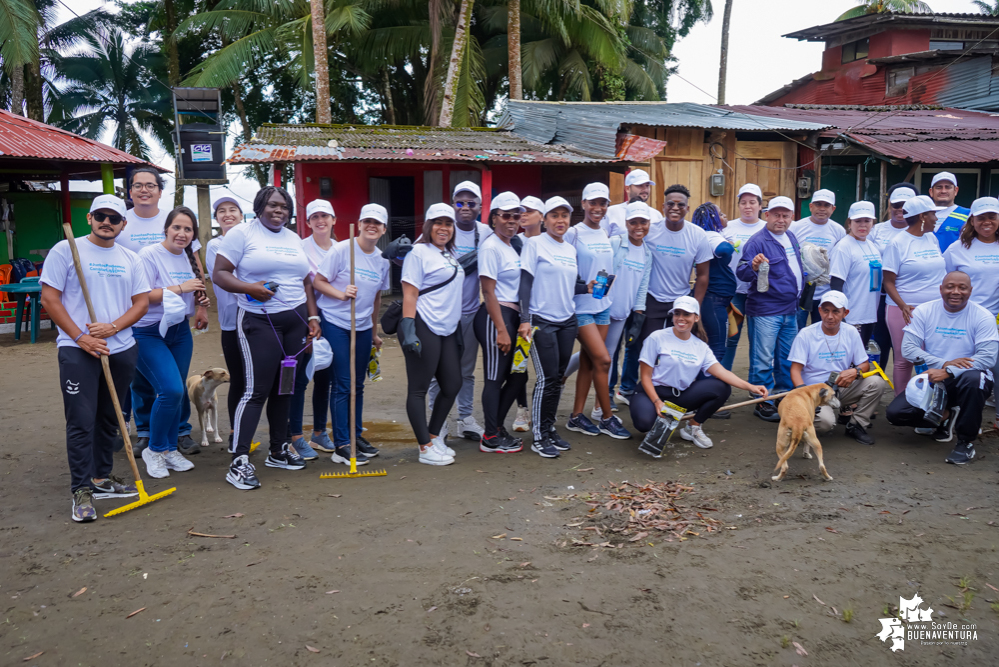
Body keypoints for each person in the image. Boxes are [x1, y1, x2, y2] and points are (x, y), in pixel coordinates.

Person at [41, 195, 149, 522]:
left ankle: (101, 478)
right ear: (89, 218)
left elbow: (141, 302)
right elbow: (50, 297)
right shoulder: (66, 250)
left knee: (109, 417)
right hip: (78, 350)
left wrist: (113, 328)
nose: (107, 222)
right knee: (81, 420)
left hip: (120, 348)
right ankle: (81, 489)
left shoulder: (132, 258)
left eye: (114, 218)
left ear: (123, 224)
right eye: (100, 216)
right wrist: (81, 337)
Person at [213, 186, 323, 490]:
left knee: (285, 388)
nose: (279, 211)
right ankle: (239, 460)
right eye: (273, 205)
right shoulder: (242, 234)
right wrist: (250, 288)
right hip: (259, 322)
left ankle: (278, 450)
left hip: (295, 324)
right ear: (260, 206)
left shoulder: (293, 239)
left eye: (285, 206)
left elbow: (305, 281)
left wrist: (312, 318)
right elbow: (220, 273)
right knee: (255, 390)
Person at [117, 167, 205, 453]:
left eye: (150, 185)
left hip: (177, 322)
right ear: (130, 191)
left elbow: (196, 267)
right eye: (138, 185)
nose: (144, 190)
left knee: (174, 384)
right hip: (139, 318)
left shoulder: (173, 217)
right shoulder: (122, 223)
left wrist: (201, 303)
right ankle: (147, 434)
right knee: (142, 383)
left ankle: (177, 434)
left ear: (159, 189)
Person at [886, 271, 998, 465]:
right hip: (934, 379)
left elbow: (987, 358)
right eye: (950, 286)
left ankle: (965, 442)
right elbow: (908, 349)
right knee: (896, 414)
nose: (955, 292)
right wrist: (944, 364)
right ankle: (945, 415)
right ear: (940, 289)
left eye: (962, 288)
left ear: (970, 291)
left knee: (975, 379)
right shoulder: (924, 311)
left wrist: (949, 371)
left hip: (968, 378)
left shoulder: (983, 316)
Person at [132, 206, 210, 479]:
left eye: (188, 229)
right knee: (171, 390)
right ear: (166, 228)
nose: (182, 233)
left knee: (174, 394)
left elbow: (194, 291)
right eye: (177, 227)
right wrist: (181, 288)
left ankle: (166, 449)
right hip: (148, 332)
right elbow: (140, 296)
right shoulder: (149, 255)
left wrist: (201, 303)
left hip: (179, 332)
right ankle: (154, 449)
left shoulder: (187, 258)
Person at [631, 296, 767, 450]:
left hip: (679, 396)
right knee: (644, 424)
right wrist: (657, 402)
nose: (681, 318)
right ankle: (658, 418)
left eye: (686, 314)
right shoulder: (657, 337)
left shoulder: (700, 346)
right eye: (677, 314)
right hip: (651, 393)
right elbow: (645, 376)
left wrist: (751, 387)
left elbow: (722, 372)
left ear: (696, 317)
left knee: (721, 387)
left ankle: (693, 427)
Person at [314, 203, 391, 464]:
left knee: (358, 385)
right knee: (343, 384)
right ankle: (342, 444)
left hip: (363, 327)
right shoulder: (341, 250)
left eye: (377, 223)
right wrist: (341, 293)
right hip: (336, 322)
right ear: (359, 224)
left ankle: (355, 436)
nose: (372, 226)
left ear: (383, 229)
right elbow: (318, 281)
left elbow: (377, 297)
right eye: (367, 221)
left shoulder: (381, 260)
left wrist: (375, 329)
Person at [566, 201, 653, 423]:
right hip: (603, 307)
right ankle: (568, 380)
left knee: (605, 357)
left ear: (649, 223)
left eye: (643, 222)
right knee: (600, 357)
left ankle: (597, 406)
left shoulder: (647, 252)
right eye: (633, 222)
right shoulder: (615, 242)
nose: (638, 227)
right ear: (626, 223)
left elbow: (642, 285)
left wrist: (638, 313)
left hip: (623, 312)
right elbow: (601, 268)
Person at [398, 203, 465, 466]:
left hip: (447, 329)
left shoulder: (448, 254)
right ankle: (424, 448)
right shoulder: (418, 252)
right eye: (438, 223)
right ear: (428, 225)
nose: (444, 228)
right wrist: (408, 329)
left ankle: (434, 435)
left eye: (448, 223)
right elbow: (410, 293)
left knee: (452, 384)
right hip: (424, 325)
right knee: (418, 389)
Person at [563, 182, 631, 439]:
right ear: (583, 204)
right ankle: (606, 416)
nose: (598, 208)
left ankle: (576, 416)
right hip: (580, 307)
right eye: (593, 202)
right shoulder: (573, 233)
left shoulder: (605, 233)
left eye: (603, 203)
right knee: (604, 360)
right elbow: (565, 272)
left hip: (603, 305)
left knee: (589, 361)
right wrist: (584, 287)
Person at [425, 181, 490, 442]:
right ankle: (437, 423)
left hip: (471, 312)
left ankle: (465, 419)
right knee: (436, 372)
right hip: (439, 313)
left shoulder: (486, 232)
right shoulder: (441, 230)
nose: (465, 207)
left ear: (480, 207)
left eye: (470, 203)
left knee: (466, 370)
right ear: (453, 205)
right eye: (460, 203)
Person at [519, 196, 583, 458]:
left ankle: (549, 427)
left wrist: (587, 287)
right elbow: (524, 283)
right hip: (541, 319)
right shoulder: (534, 244)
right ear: (544, 220)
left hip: (567, 320)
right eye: (554, 215)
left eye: (564, 216)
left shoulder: (570, 249)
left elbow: (569, 283)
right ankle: (538, 436)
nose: (560, 220)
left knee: (558, 378)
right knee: (545, 379)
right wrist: (524, 318)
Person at [735, 196, 804, 422]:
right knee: (763, 359)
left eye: (785, 215)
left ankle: (781, 397)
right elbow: (742, 273)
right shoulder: (757, 241)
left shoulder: (791, 237)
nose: (781, 220)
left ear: (792, 217)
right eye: (776, 214)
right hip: (766, 310)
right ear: (767, 215)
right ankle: (761, 402)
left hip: (790, 309)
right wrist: (753, 266)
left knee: (787, 358)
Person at [788, 291, 887, 445]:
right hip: (815, 392)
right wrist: (804, 395)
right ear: (819, 310)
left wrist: (855, 371)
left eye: (836, 311)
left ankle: (856, 425)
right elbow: (795, 370)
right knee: (825, 424)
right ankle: (799, 418)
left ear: (845, 313)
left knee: (877, 382)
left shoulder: (851, 332)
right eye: (826, 311)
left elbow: (865, 364)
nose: (830, 316)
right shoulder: (806, 334)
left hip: (841, 387)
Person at [474, 192, 529, 452]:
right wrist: (501, 329)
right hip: (496, 316)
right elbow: (488, 291)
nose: (512, 220)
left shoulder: (512, 246)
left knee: (519, 376)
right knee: (495, 378)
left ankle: (495, 426)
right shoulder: (490, 246)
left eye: (516, 216)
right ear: (494, 217)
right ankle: (490, 437)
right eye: (506, 215)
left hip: (514, 316)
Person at [287, 199, 338, 460]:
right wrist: (311, 316)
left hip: (334, 320)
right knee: (300, 378)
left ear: (333, 220)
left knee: (325, 378)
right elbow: (304, 283)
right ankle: (295, 435)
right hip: (304, 318)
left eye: (325, 216)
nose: (321, 221)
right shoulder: (299, 247)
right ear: (307, 222)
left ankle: (319, 432)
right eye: (315, 217)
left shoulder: (341, 249)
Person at [882, 195, 947, 395]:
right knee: (904, 359)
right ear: (922, 217)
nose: (936, 217)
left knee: (932, 357)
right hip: (905, 310)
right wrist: (903, 305)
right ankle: (903, 404)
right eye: (932, 213)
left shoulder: (931, 237)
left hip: (934, 311)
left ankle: (930, 402)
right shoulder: (897, 243)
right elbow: (888, 281)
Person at [943, 196, 999, 411]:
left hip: (994, 318)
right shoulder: (957, 248)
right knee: (965, 367)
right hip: (962, 318)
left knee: (996, 367)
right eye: (981, 217)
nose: (987, 222)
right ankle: (958, 412)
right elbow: (944, 281)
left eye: (992, 217)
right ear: (972, 221)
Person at [637, 183, 711, 343]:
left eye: (680, 204)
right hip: (652, 298)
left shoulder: (698, 236)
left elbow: (703, 276)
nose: (675, 208)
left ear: (688, 208)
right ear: (663, 207)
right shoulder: (650, 232)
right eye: (670, 204)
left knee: (677, 348)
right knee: (645, 347)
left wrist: (694, 307)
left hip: (681, 300)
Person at [205, 196, 244, 448]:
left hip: (260, 319)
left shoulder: (252, 241)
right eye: (221, 211)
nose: (227, 214)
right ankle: (235, 432)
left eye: (233, 210)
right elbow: (223, 277)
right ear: (216, 218)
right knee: (238, 379)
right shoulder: (214, 245)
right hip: (232, 321)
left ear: (242, 215)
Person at [869, 184, 919, 372]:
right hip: (881, 297)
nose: (900, 210)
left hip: (910, 297)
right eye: (896, 205)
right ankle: (876, 382)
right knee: (879, 341)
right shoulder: (877, 230)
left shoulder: (923, 232)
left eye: (905, 206)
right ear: (889, 205)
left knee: (908, 346)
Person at [721, 183, 767, 370]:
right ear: (738, 205)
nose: (748, 206)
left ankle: (757, 385)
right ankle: (722, 382)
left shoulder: (767, 228)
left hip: (760, 294)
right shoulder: (727, 228)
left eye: (752, 202)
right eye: (744, 202)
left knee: (759, 341)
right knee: (730, 338)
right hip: (734, 293)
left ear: (760, 205)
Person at [511, 195, 544, 433]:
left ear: (541, 216)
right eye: (520, 211)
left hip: (544, 313)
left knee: (546, 367)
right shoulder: (513, 241)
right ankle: (521, 409)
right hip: (519, 313)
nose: (522, 214)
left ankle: (542, 409)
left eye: (529, 211)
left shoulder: (549, 241)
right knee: (519, 364)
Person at [829, 201, 882, 347]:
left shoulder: (872, 246)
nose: (863, 225)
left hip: (869, 314)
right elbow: (836, 284)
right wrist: (840, 315)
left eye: (867, 221)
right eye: (858, 221)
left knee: (860, 361)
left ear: (873, 223)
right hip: (852, 317)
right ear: (849, 223)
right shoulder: (844, 247)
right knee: (849, 363)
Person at [790, 189, 845, 328]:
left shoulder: (838, 231)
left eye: (826, 205)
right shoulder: (795, 227)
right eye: (818, 204)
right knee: (798, 331)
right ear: (810, 206)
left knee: (823, 331)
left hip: (826, 293)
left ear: (833, 209)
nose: (822, 209)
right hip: (800, 292)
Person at [691, 202, 735, 366]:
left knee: (709, 345)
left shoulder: (702, 234)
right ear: (712, 218)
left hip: (714, 298)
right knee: (717, 348)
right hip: (713, 298)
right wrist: (730, 244)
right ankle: (709, 387)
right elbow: (724, 250)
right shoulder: (711, 235)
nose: (725, 216)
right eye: (721, 214)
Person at [604, 169, 664, 236]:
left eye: (647, 185)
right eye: (640, 185)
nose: (645, 189)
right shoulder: (611, 212)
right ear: (627, 189)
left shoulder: (656, 215)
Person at [928, 172, 970, 252]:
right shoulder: (922, 214)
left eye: (948, 187)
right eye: (938, 187)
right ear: (931, 191)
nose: (943, 191)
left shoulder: (968, 215)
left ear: (956, 190)